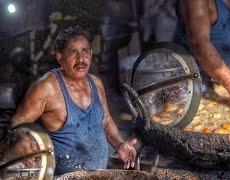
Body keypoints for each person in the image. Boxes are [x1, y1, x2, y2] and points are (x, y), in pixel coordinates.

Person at [10, 27, 137, 175]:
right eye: (72, 52)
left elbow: (106, 120)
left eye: (85, 51)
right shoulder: (46, 88)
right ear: (60, 57)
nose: (81, 59)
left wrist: (119, 143)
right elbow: (17, 124)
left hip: (98, 176)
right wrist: (26, 148)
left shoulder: (96, 83)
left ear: (91, 54)